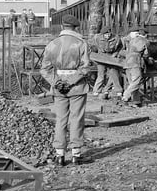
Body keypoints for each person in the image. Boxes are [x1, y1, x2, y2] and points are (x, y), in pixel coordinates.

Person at [40, 14, 91, 166]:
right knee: (77, 118)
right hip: (77, 87)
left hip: (58, 88)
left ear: (62, 27)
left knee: (60, 120)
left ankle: (59, 154)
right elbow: (85, 68)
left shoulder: (52, 44)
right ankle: (76, 154)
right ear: (76, 28)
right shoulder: (81, 43)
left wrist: (57, 83)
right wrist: (71, 81)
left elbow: (44, 69)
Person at [91, 26, 124, 99]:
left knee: (114, 73)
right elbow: (93, 46)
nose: (108, 35)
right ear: (102, 34)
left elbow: (120, 46)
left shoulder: (116, 38)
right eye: (106, 34)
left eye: (109, 33)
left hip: (112, 57)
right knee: (101, 74)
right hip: (101, 57)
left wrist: (116, 53)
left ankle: (118, 90)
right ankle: (96, 90)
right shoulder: (97, 38)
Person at [121, 25, 150, 106]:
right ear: (146, 35)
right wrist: (149, 61)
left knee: (132, 83)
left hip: (127, 63)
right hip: (136, 63)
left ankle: (136, 101)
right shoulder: (144, 41)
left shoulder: (131, 40)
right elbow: (146, 54)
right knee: (136, 82)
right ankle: (125, 96)